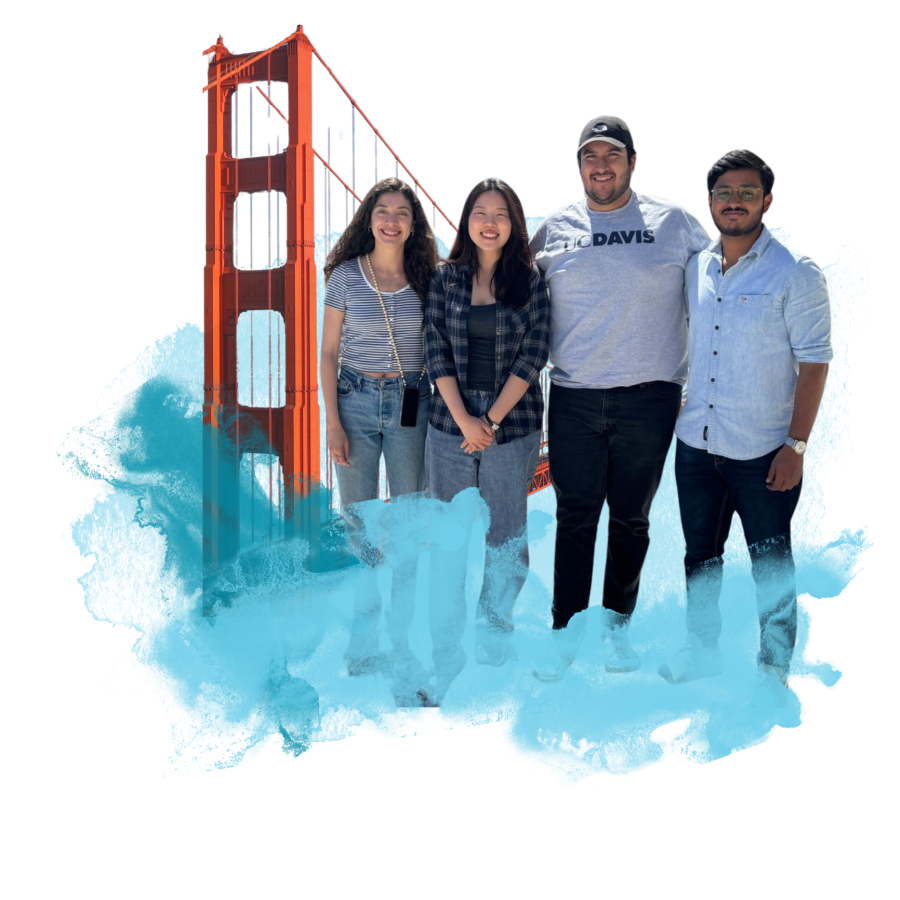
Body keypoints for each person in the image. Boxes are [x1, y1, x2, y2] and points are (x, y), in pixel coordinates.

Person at [530, 115, 711, 682]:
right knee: (574, 516)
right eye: (590, 155)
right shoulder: (553, 227)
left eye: (613, 154)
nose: (601, 165)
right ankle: (564, 631)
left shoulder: (676, 220)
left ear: (634, 161)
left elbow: (719, 288)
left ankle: (616, 628)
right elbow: (502, 289)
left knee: (632, 519)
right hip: (574, 395)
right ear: (579, 165)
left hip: (650, 397)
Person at [658, 149, 832, 708]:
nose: (735, 201)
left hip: (764, 452)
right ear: (709, 202)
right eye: (725, 193)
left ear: (768, 201)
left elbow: (814, 362)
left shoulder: (797, 272)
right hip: (696, 447)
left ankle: (772, 667)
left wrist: (796, 446)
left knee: (772, 562)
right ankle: (703, 651)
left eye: (747, 192)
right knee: (699, 557)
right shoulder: (696, 267)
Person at [423, 176, 549, 703]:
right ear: (467, 220)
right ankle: (445, 652)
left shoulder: (532, 279)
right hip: (448, 426)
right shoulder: (445, 278)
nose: (490, 222)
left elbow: (533, 355)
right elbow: (435, 352)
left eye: (501, 213)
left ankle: (494, 639)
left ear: (514, 224)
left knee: (507, 538)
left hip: (513, 428)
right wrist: (464, 420)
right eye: (480, 211)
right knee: (446, 543)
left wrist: (490, 423)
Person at [320, 176, 439, 698]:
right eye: (382, 211)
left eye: (402, 214)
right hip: (355, 403)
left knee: (409, 529)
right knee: (358, 531)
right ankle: (361, 645)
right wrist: (333, 422)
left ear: (414, 227)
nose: (391, 220)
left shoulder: (429, 277)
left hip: (414, 406)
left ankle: (402, 641)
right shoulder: (345, 276)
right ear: (368, 218)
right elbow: (327, 352)